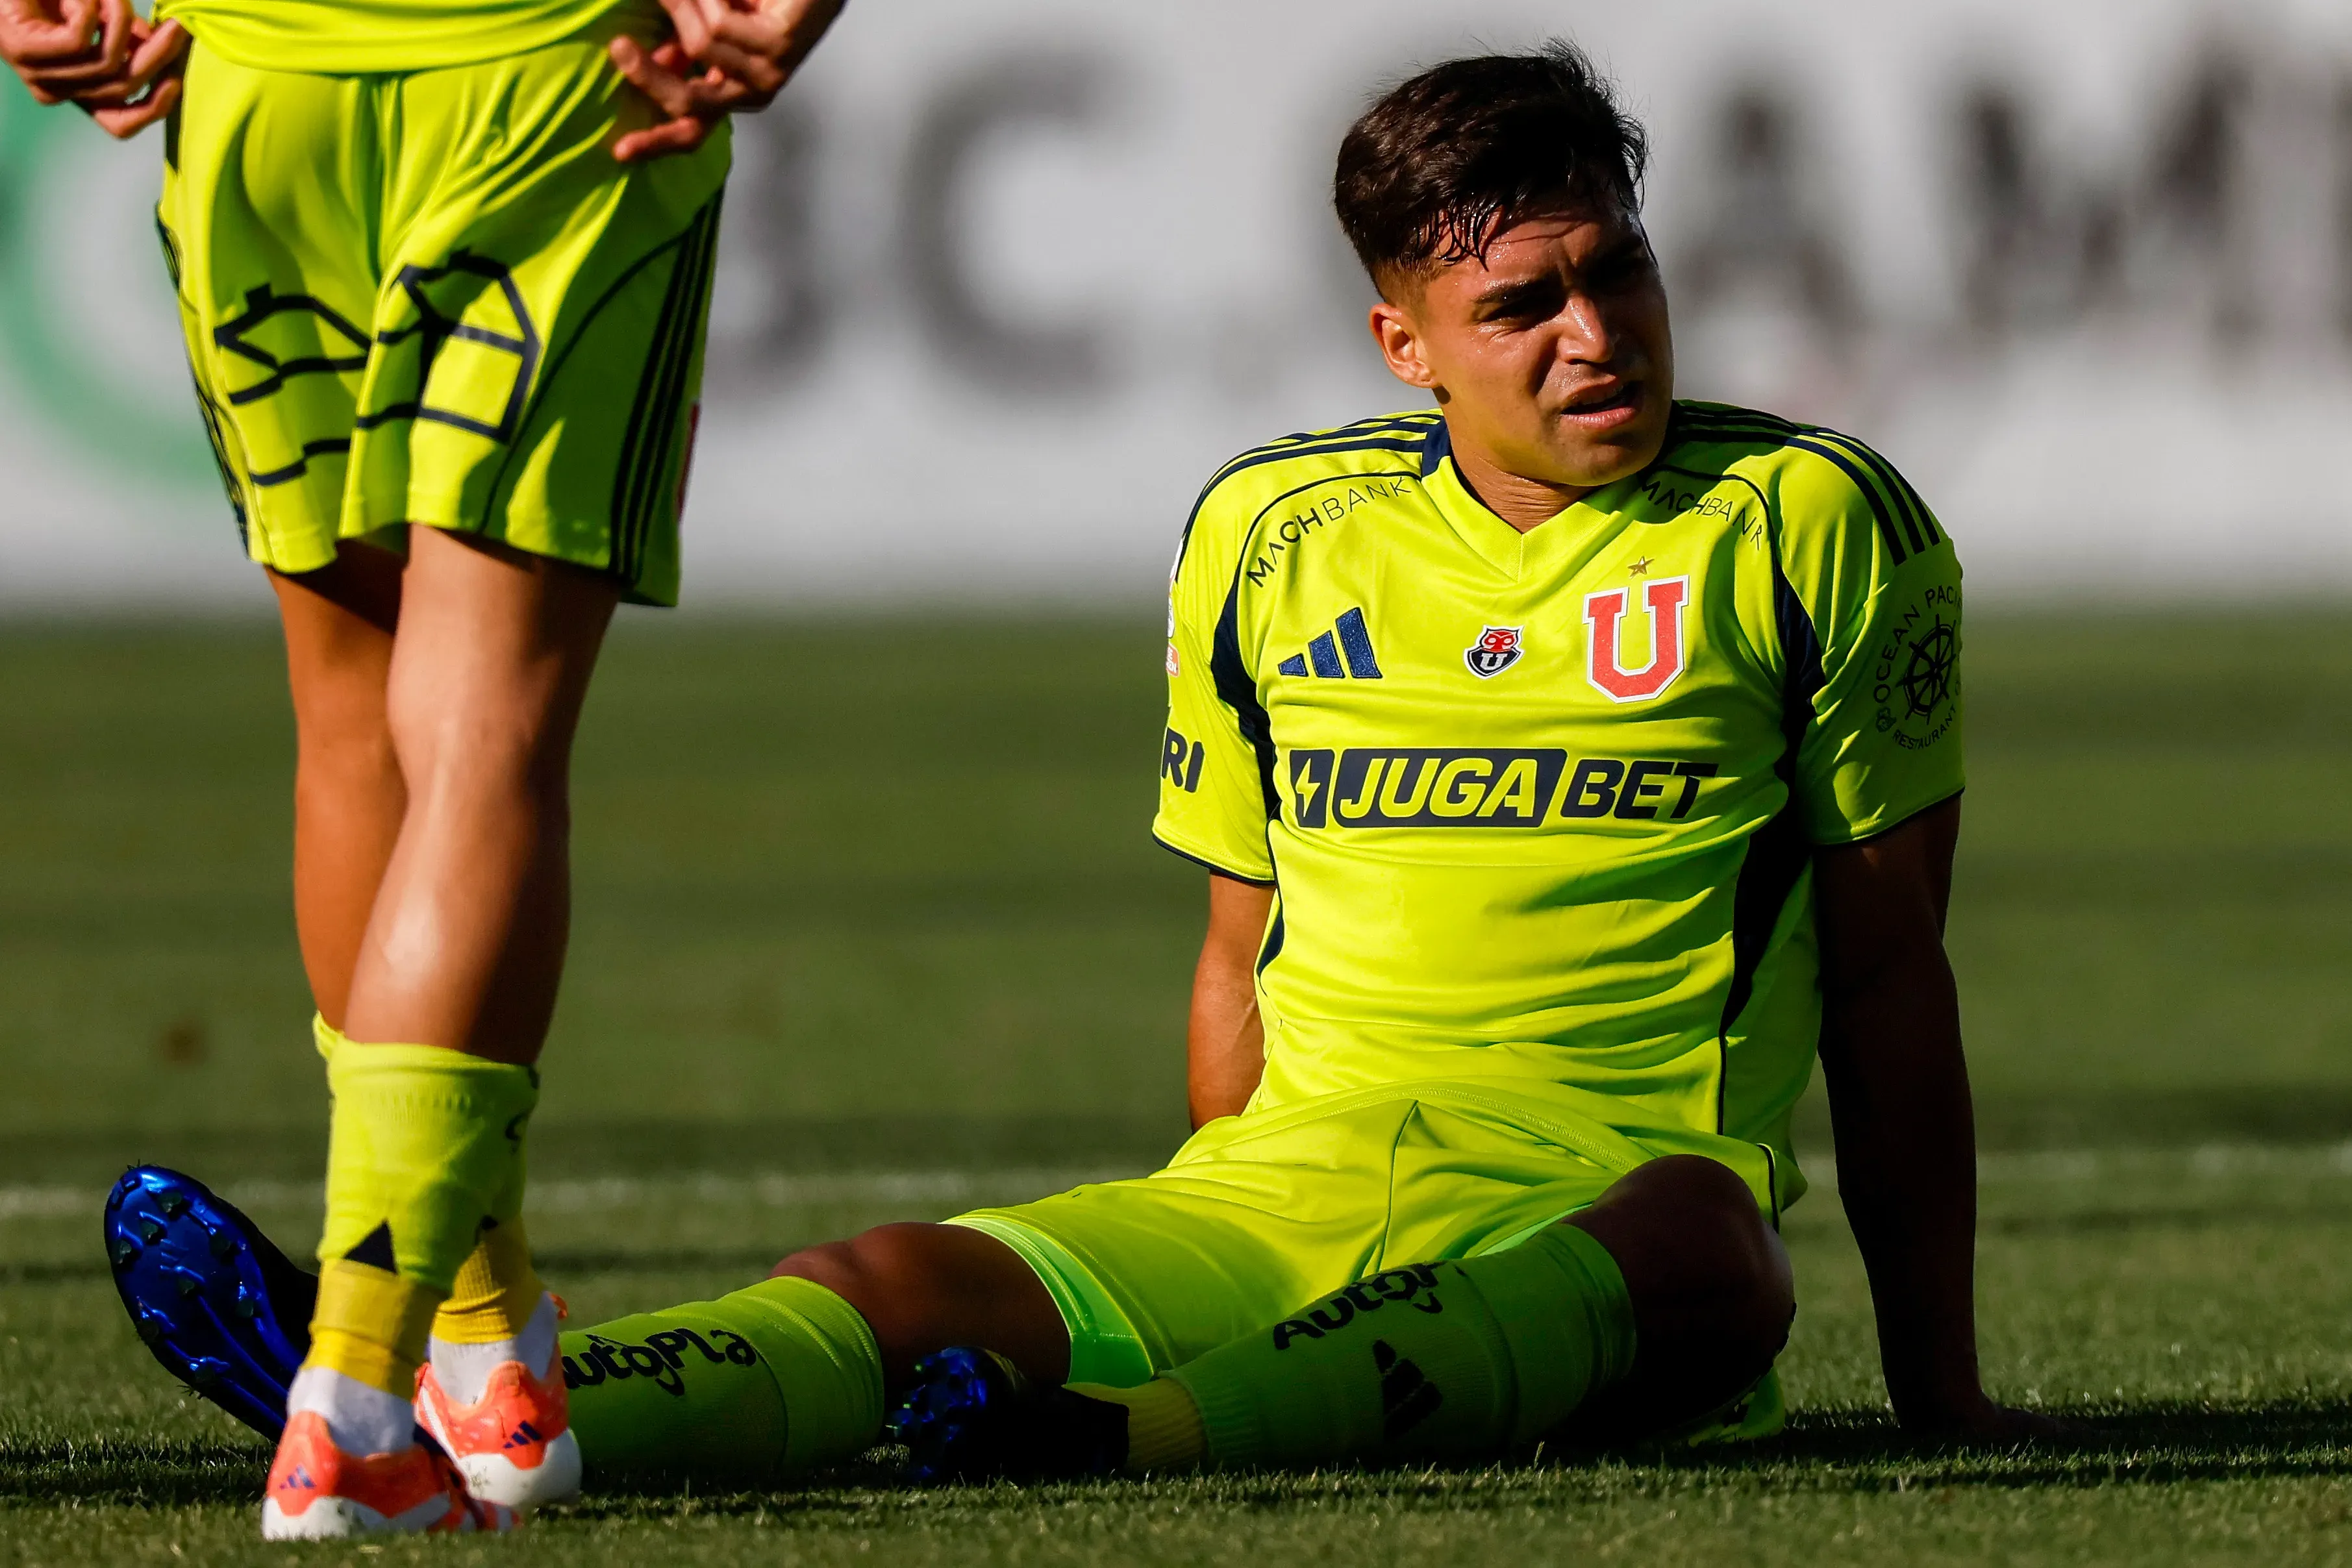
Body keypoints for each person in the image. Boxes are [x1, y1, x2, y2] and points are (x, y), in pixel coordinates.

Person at [108, 41, 2053, 1494]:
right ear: (1403, 342)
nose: (1590, 332)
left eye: (1609, 272)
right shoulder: (1271, 533)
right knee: (874, 1276)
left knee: (1711, 1258)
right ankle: (458, 1401)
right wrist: (1215, 1209)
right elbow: (1234, 952)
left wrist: (1939, 1386)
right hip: (1281, 1186)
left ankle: (1102, 1439)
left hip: (1607, 1198)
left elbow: (1891, 978)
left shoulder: (1813, 521)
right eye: (1517, 304)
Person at [5, 0, 845, 1538]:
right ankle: (352, 1396)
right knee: (482, 728)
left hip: (259, 88)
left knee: (348, 711)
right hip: (552, 82)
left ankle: (483, 1342)